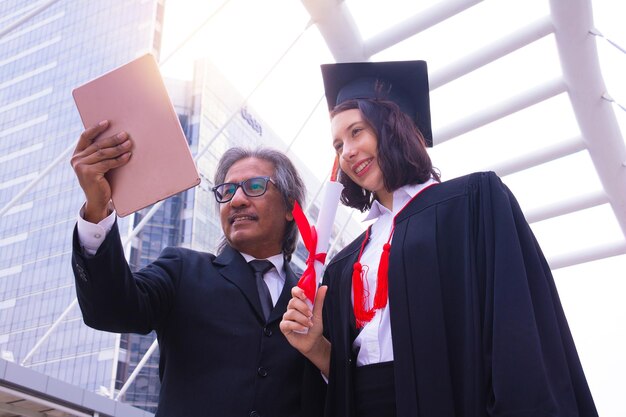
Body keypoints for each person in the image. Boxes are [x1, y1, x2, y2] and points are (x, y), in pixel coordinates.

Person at [280, 61, 599, 417]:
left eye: (357, 132)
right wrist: (316, 348)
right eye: (338, 145)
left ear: (394, 127)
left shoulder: (472, 204)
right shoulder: (347, 261)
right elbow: (349, 380)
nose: (347, 152)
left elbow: (516, 335)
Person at [70, 125, 325, 417]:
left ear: (291, 208)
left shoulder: (317, 299)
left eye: (255, 187)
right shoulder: (182, 271)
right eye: (227, 191)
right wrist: (97, 209)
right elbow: (110, 309)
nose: (237, 200)